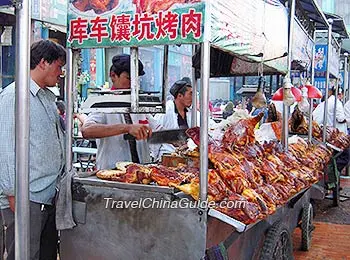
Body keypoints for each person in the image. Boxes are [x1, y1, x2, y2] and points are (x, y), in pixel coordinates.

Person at [0, 39, 66, 260]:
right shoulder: (14, 96)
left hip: (47, 194)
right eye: (59, 66)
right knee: (24, 254)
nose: (61, 72)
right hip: (25, 196)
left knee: (45, 253)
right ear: (43, 63)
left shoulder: (46, 97)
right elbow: (6, 147)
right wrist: (12, 192)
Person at [81, 54, 158, 170]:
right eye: (129, 78)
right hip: (112, 173)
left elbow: (157, 128)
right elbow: (87, 131)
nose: (134, 84)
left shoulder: (139, 102)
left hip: (141, 171)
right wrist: (126, 128)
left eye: (137, 79)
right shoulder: (103, 102)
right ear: (113, 76)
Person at [151, 77, 193, 160]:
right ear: (180, 96)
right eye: (190, 94)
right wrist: (153, 157)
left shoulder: (191, 112)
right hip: (167, 156)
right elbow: (155, 134)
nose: (193, 97)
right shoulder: (165, 111)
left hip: (185, 156)